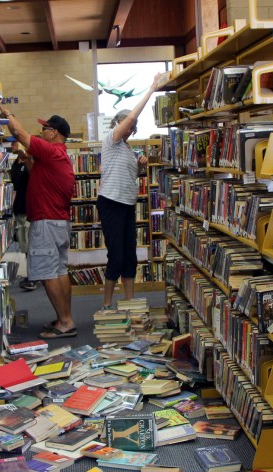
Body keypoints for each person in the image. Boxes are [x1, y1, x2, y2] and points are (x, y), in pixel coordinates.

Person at [0, 107, 77, 339]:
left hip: (46, 222)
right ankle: (66, 318)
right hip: (59, 222)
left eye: (44, 128)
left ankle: (65, 322)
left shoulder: (51, 150)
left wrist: (6, 113)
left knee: (47, 273)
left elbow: (19, 133)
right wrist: (28, 161)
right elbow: (42, 177)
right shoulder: (58, 156)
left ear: (54, 133)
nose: (41, 131)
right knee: (59, 270)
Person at [97, 72, 167, 310]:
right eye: (128, 126)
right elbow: (129, 120)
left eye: (133, 128)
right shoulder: (112, 139)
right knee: (115, 255)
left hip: (127, 204)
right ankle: (107, 303)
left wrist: (138, 167)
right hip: (111, 202)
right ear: (119, 124)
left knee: (129, 255)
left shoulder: (126, 149)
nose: (130, 130)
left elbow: (128, 177)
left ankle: (128, 302)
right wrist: (150, 90)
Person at [10, 140, 37, 291]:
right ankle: (32, 275)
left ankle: (33, 277)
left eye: (13, 144)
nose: (11, 147)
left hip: (28, 209)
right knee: (24, 245)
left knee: (30, 244)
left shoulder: (29, 162)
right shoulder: (15, 163)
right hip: (19, 208)